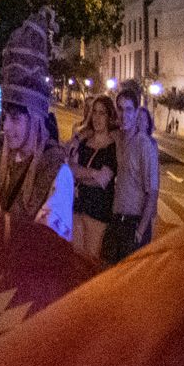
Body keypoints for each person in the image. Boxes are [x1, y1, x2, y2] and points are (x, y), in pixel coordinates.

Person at [0, 9, 73, 241]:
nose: (6, 127)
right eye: (5, 118)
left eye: (15, 119)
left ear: (35, 120)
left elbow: (49, 243)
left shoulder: (56, 172)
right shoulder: (2, 165)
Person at [103, 85, 160, 264]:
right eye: (120, 109)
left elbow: (153, 192)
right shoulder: (118, 138)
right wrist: (77, 138)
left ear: (136, 113)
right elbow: (94, 130)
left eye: (129, 109)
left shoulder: (144, 145)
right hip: (116, 221)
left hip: (134, 224)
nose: (124, 114)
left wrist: (140, 231)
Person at [67, 96, 118, 262]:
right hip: (78, 206)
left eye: (102, 113)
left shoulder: (113, 147)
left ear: (109, 117)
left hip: (98, 211)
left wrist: (82, 175)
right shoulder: (83, 142)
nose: (97, 117)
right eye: (94, 112)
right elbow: (70, 168)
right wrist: (93, 173)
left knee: (90, 261)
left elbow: (102, 180)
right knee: (74, 257)